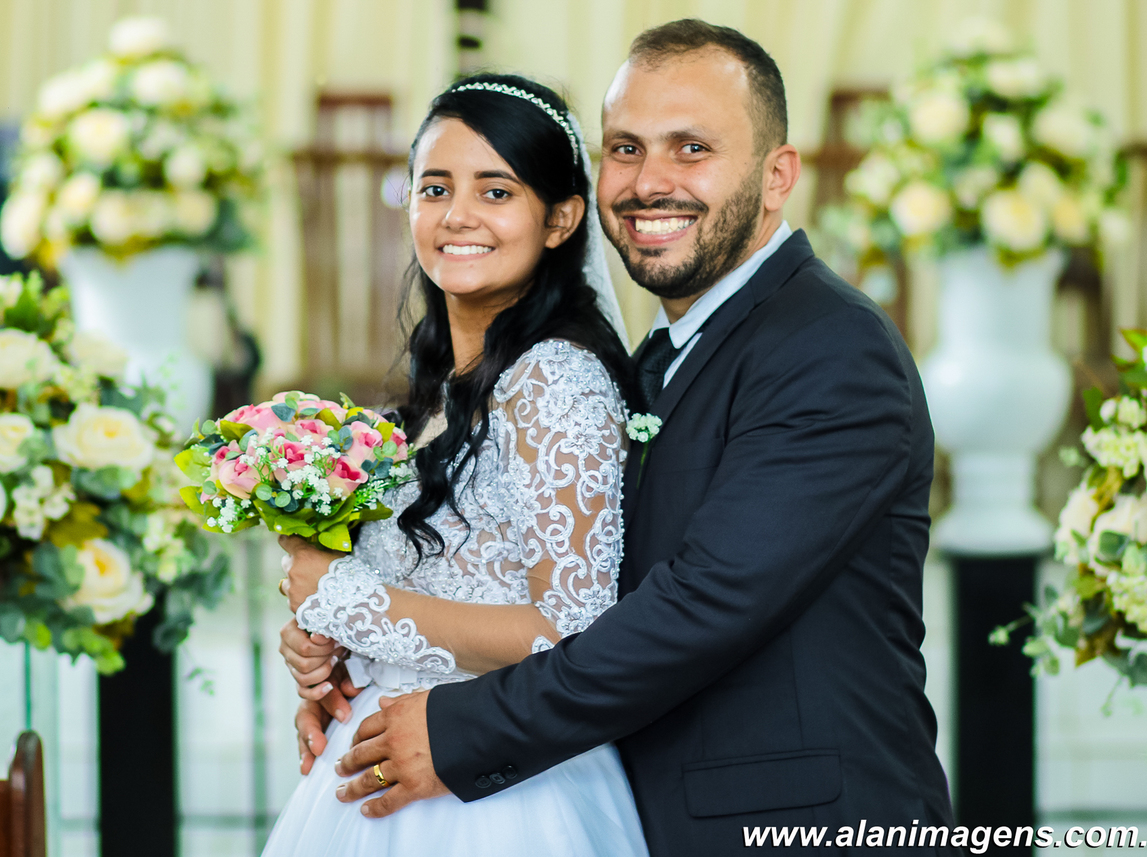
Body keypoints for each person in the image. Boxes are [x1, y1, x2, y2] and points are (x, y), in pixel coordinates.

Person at [298, 20, 958, 857]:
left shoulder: (831, 350)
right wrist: (359, 657)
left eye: (691, 149)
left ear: (777, 175)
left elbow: (700, 607)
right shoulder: (654, 359)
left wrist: (457, 727)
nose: (651, 182)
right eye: (626, 148)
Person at [263, 72, 650, 857]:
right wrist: (332, 651)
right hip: (379, 770)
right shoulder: (438, 389)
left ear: (561, 218)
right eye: (434, 187)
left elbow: (569, 630)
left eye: (496, 191)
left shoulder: (557, 379)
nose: (458, 215)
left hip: (501, 795)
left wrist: (344, 596)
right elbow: (439, 588)